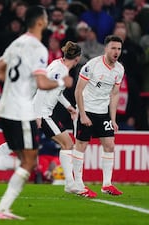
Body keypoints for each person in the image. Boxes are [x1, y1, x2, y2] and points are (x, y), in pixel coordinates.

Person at [0, 5, 73, 220]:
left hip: (6, 107)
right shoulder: (38, 49)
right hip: (21, 109)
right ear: (40, 22)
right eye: (46, 18)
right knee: (28, 162)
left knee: (23, 158)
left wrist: (18, 83)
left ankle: (0, 205)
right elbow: (41, 82)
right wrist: (62, 81)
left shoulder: (16, 43)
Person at [34, 41, 97, 196]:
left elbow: (56, 91)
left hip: (46, 112)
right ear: (77, 59)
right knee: (67, 143)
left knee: (16, 143)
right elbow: (41, 90)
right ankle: (70, 184)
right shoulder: (59, 69)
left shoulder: (59, 65)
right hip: (43, 113)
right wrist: (37, 115)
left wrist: (68, 106)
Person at [73, 35, 124, 196]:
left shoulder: (119, 69)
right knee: (81, 145)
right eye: (113, 48)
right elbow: (78, 91)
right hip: (86, 109)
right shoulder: (92, 66)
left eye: (119, 49)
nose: (116, 52)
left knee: (110, 145)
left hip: (103, 112)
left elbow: (115, 94)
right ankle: (79, 185)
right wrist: (82, 115)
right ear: (106, 49)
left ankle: (107, 184)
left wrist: (113, 119)